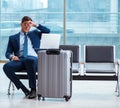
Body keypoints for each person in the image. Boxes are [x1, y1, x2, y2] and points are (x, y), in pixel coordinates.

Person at [3, 16, 50, 99]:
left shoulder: (35, 33)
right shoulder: (13, 38)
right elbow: (7, 53)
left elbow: (47, 31)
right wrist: (12, 56)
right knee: (6, 67)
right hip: (20, 60)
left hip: (33, 59)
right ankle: (24, 89)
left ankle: (33, 89)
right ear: (21, 24)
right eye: (25, 24)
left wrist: (35, 25)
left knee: (30, 60)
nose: (27, 26)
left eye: (29, 24)